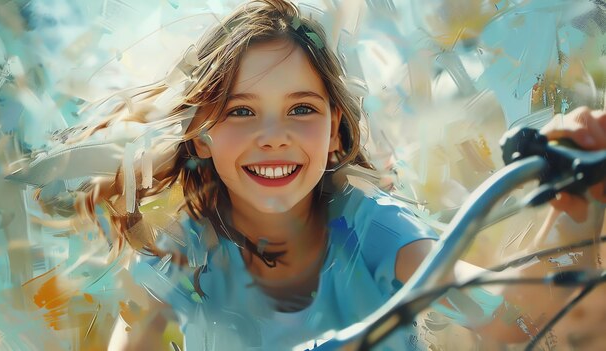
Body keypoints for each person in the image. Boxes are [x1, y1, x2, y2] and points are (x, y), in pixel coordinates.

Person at [44, 0, 604, 349]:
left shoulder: (371, 227)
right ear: (200, 133)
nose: (274, 135)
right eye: (241, 111)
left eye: (301, 109)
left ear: (335, 129)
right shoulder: (188, 248)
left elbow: (501, 315)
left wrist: (569, 215)